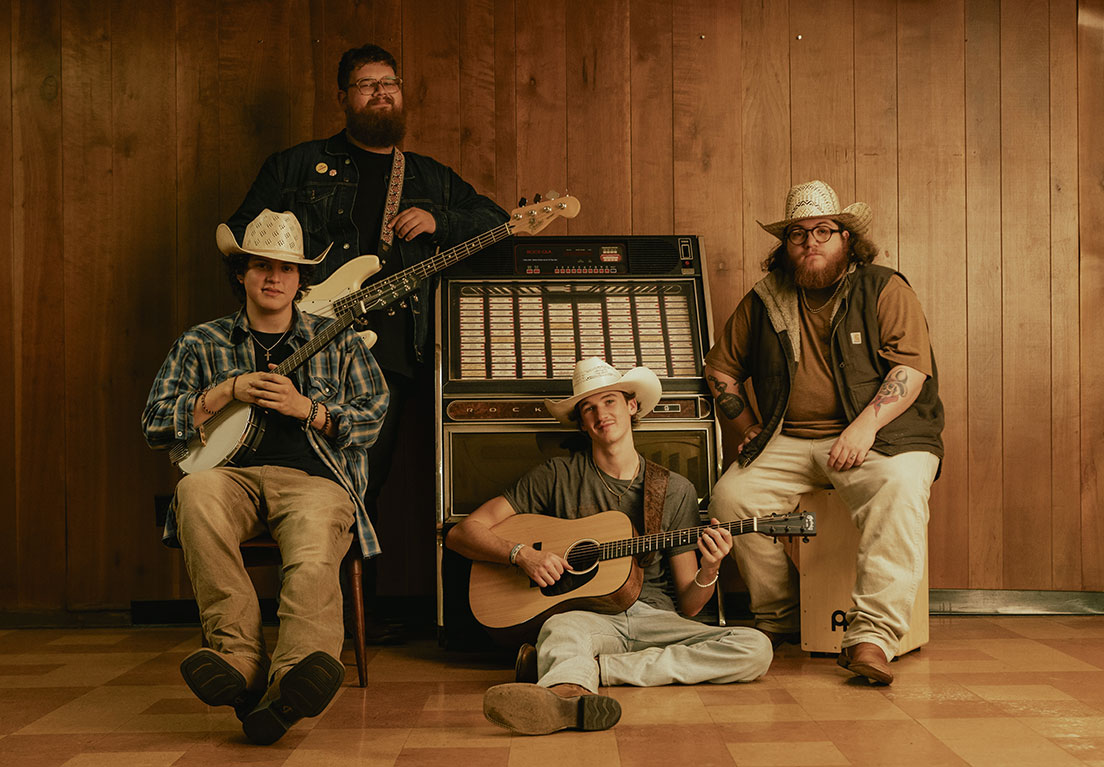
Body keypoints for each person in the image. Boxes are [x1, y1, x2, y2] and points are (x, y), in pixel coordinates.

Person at [222, 43, 509, 640]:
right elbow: (242, 240)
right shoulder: (297, 166)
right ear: (344, 98)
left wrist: (442, 222)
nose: (381, 93)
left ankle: (355, 617)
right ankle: (313, 613)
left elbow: (498, 223)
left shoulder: (428, 177)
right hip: (305, 345)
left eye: (389, 83)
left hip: (390, 356)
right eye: (366, 84)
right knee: (307, 474)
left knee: (363, 480)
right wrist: (288, 299)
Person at [141, 209, 388, 744]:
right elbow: (155, 424)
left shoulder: (338, 339)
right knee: (193, 491)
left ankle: (296, 672)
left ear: (301, 280)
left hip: (315, 481)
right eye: (261, 267)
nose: (273, 278)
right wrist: (223, 392)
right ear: (242, 274)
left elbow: (371, 418)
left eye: (286, 268)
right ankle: (239, 658)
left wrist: (309, 410)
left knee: (313, 544)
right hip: (230, 479)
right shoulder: (201, 342)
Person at [446, 358, 772, 736]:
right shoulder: (556, 476)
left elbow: (690, 605)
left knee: (755, 648)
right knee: (560, 629)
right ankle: (565, 697)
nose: (601, 414)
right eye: (589, 408)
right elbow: (462, 533)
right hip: (588, 618)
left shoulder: (674, 489)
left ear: (632, 406)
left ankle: (591, 670)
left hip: (657, 620)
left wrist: (710, 568)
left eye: (610, 401)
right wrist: (522, 555)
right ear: (582, 422)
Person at [704, 180, 944, 685]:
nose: (810, 242)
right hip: (788, 439)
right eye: (798, 234)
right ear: (786, 245)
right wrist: (746, 424)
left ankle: (872, 636)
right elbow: (720, 369)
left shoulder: (883, 287)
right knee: (731, 498)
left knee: (901, 487)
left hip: (882, 436)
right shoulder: (764, 299)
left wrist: (864, 426)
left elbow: (910, 370)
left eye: (823, 231)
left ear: (846, 238)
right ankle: (780, 616)